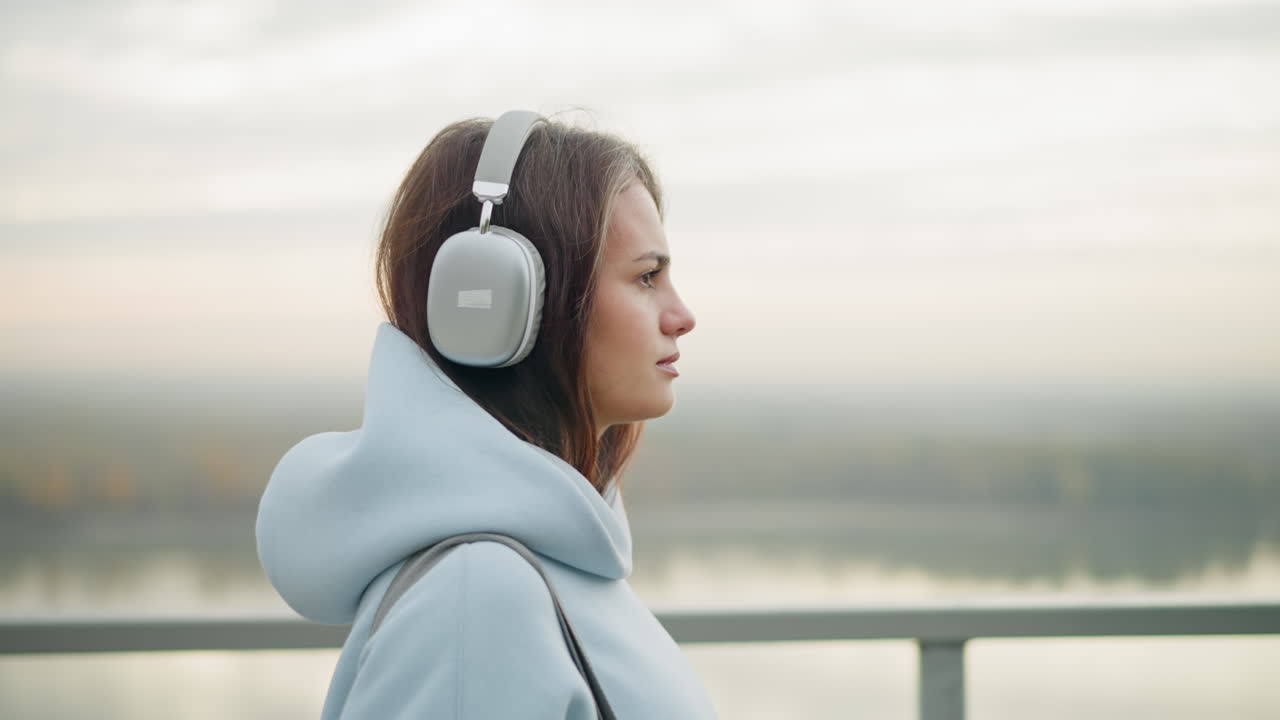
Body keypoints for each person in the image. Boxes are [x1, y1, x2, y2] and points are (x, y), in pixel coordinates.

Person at [255, 111, 716, 718]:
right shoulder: (478, 598)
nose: (682, 315)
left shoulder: (554, 564)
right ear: (503, 297)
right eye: (647, 277)